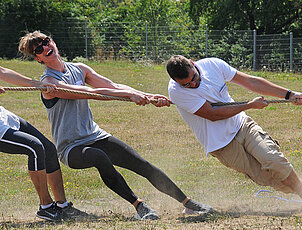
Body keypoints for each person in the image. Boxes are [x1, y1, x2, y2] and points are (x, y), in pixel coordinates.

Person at [18, 31, 213, 220]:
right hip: (71, 148)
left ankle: (188, 203)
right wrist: (129, 95)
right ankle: (140, 206)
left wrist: (146, 95)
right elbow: (89, 93)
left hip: (95, 136)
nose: (44, 48)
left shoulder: (79, 68)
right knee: (100, 157)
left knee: (140, 163)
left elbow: (113, 86)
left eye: (45, 42)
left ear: (52, 42)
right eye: (38, 50)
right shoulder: (48, 83)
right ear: (38, 59)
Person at [166, 55, 302, 212]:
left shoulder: (212, 65)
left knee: (273, 159)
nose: (193, 85)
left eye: (194, 79)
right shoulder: (176, 91)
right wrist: (249, 105)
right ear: (177, 82)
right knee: (269, 177)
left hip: (242, 125)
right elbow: (213, 114)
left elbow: (251, 82)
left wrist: (289, 94)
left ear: (193, 64)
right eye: (186, 85)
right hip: (221, 144)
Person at [0, 66, 83, 221]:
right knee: (35, 147)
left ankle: (62, 206)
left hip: (4, 117)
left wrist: (38, 85)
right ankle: (46, 207)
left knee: (48, 149)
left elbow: (3, 72)